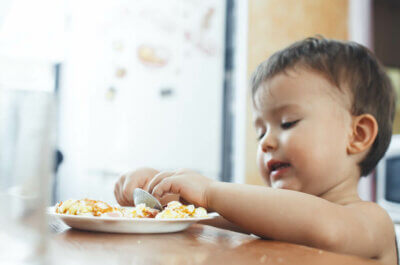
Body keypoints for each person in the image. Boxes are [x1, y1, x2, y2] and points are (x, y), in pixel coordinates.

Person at [114, 37, 398, 264]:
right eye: (260, 131)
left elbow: (326, 228)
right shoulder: (268, 218)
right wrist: (165, 188)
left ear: (357, 135)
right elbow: (207, 212)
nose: (265, 142)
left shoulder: (373, 222)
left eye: (287, 123)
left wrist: (210, 192)